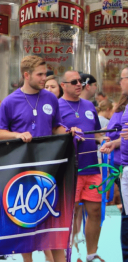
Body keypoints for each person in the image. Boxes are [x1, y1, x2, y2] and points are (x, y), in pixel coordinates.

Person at [0, 55, 78, 262]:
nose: (44, 78)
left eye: (45, 74)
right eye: (40, 75)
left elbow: (56, 126)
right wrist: (17, 135)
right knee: (27, 220)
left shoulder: (50, 98)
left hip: (50, 168)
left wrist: (67, 131)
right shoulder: (10, 101)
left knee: (54, 219)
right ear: (26, 75)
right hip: (22, 170)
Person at [58, 71, 106, 262]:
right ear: (63, 85)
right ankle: (71, 254)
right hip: (71, 170)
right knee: (71, 214)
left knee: (95, 211)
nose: (80, 84)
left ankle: (91, 254)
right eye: (74, 82)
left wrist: (106, 141)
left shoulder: (88, 106)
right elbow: (54, 133)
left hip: (92, 167)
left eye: (81, 81)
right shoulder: (57, 106)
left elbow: (95, 134)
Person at [99, 67, 128, 261]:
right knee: (126, 217)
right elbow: (120, 135)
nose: (120, 82)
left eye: (123, 78)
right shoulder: (124, 105)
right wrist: (114, 143)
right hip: (124, 166)